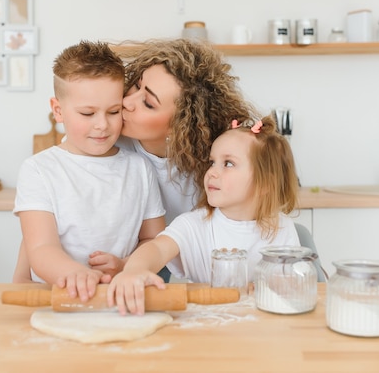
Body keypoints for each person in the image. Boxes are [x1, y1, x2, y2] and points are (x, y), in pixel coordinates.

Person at [13, 41, 166, 301]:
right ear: (58, 110)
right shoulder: (39, 170)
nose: (102, 125)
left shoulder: (139, 168)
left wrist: (126, 264)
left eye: (113, 111)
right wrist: (75, 274)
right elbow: (40, 247)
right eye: (87, 113)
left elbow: (154, 240)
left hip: (117, 299)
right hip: (58, 299)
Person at [107, 115, 301, 315]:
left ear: (265, 184)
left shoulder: (282, 228)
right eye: (212, 162)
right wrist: (134, 270)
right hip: (206, 328)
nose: (212, 173)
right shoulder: (193, 225)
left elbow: (292, 287)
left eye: (228, 164)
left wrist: (268, 289)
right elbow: (156, 248)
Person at [116, 39, 260, 281]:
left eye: (148, 103)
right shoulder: (104, 141)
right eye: (136, 85)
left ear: (180, 126)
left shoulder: (211, 168)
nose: (127, 102)